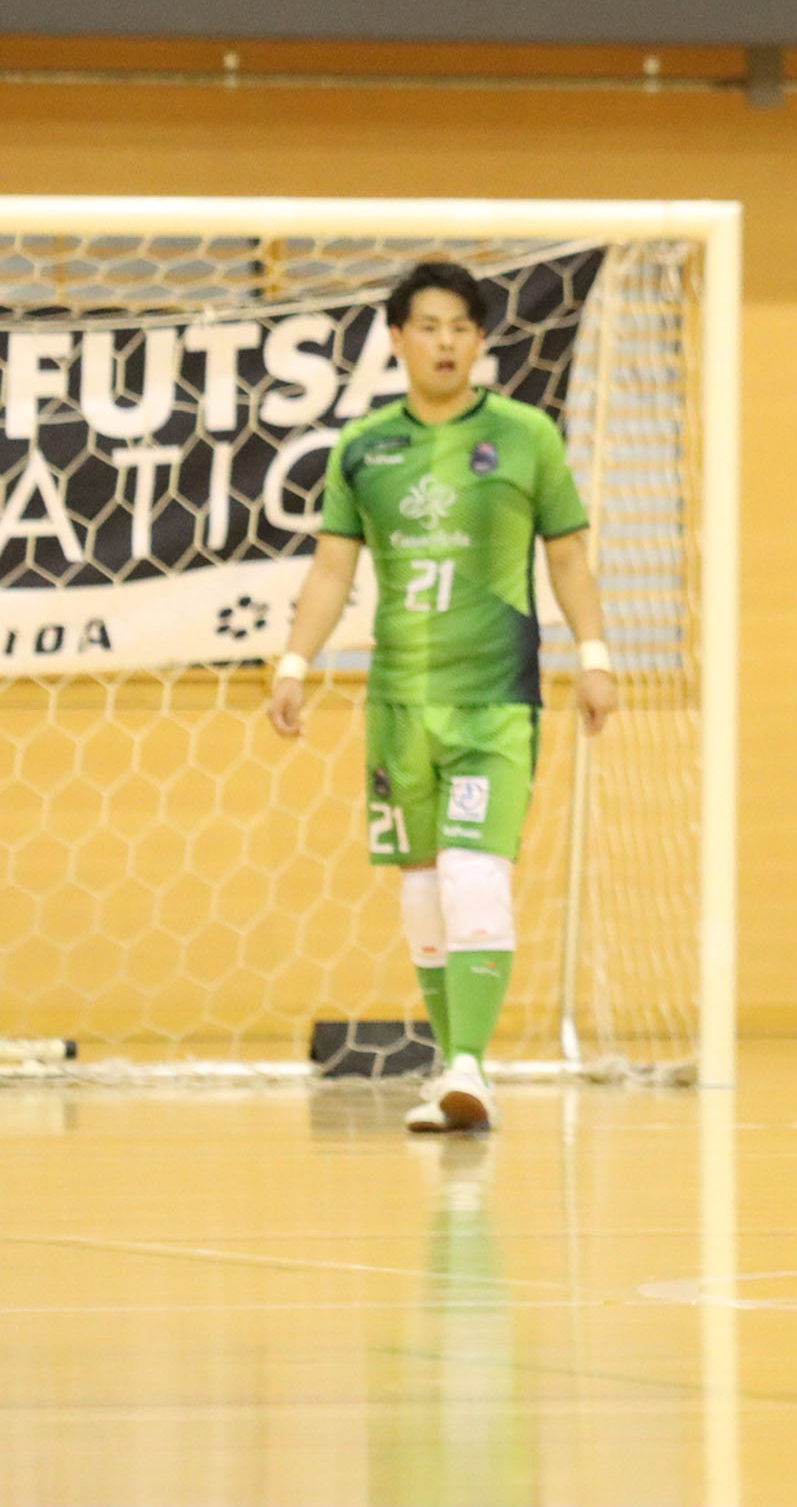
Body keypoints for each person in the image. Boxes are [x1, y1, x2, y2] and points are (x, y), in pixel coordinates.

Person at [264, 261, 617, 1134]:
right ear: (397, 338)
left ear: (481, 337)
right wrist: (294, 663)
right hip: (399, 705)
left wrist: (595, 655)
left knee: (474, 872)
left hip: (494, 699)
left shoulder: (526, 435)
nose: (445, 341)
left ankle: (468, 1065)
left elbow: (567, 554)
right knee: (422, 887)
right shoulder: (363, 447)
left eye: (460, 326)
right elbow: (332, 569)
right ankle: (456, 1070)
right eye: (427, 326)